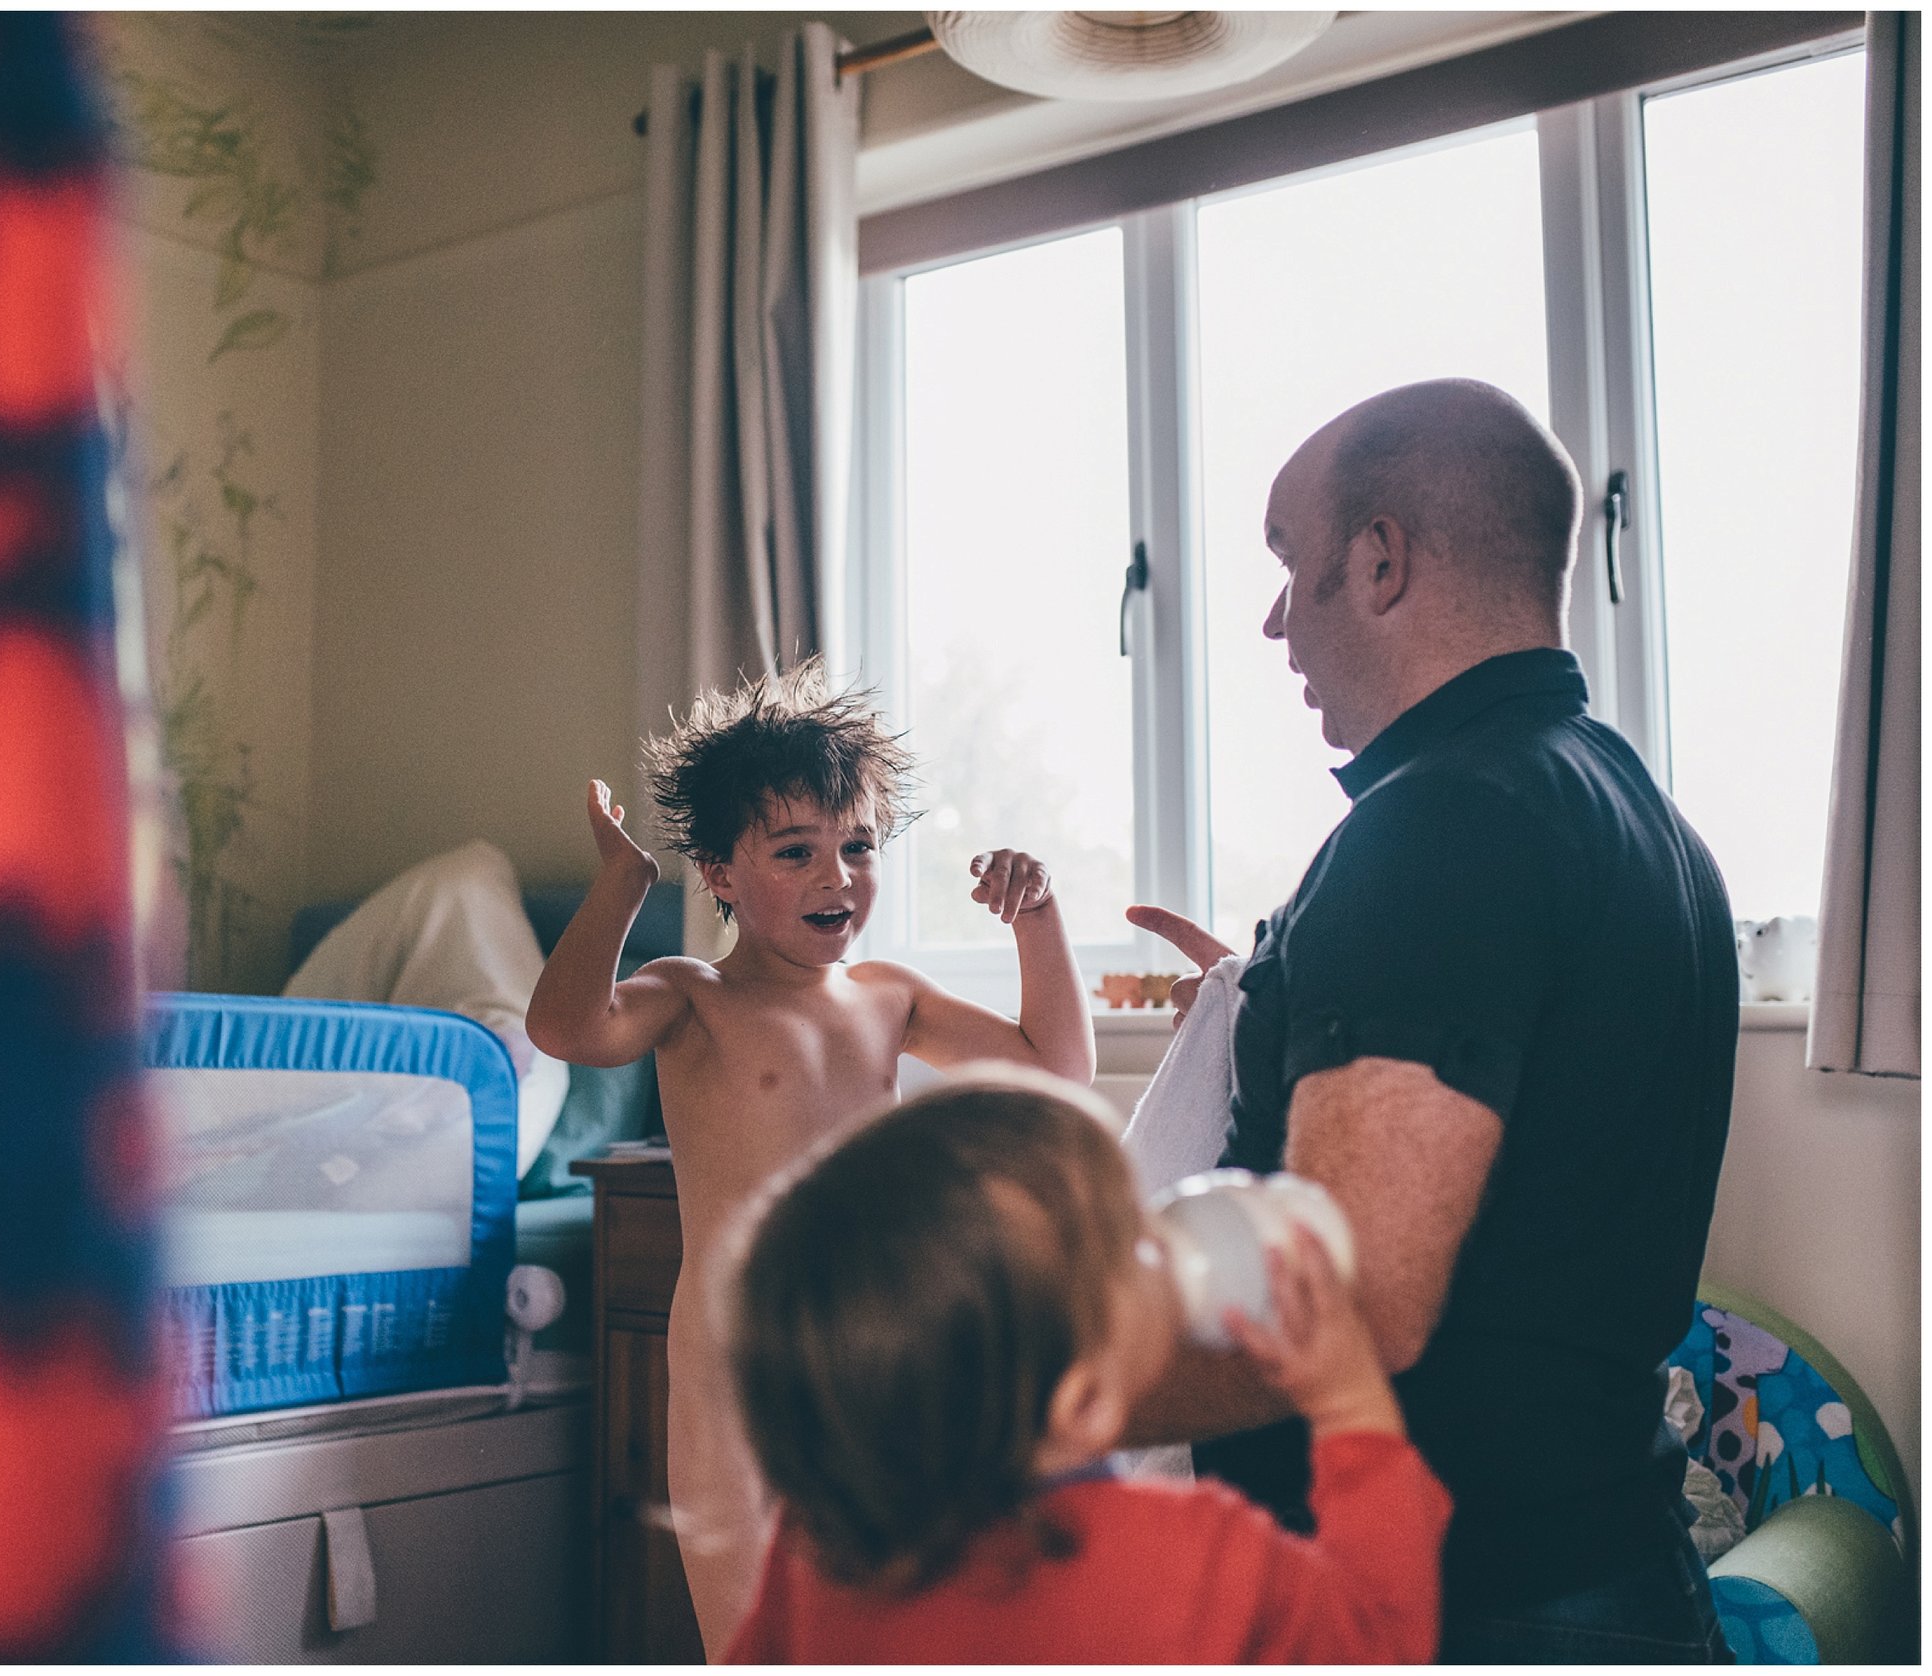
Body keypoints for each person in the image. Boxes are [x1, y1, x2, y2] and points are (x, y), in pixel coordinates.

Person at [1124, 378, 1739, 1662]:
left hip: (1469, 1607)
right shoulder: (1639, 819)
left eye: (1291, 564)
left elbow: (1355, 1298)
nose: (1274, 619)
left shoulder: (1437, 823)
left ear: (1383, 557)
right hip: (1604, 1565)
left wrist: (1021, 1387)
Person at [526, 661, 1096, 1653]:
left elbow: (1055, 1067)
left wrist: (1038, 920)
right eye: (796, 851)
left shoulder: (887, 995)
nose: (839, 876)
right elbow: (568, 1026)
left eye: (858, 846)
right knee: (756, 1638)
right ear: (718, 873)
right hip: (733, 1370)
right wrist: (622, 884)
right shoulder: (693, 994)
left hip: (876, 1354)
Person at [723, 1070, 1451, 1664]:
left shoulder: (819, 1542)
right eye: (1131, 1238)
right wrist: (1350, 1407)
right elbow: (1380, 1639)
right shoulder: (1199, 1557)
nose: (1161, 1235)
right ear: (1084, 1404)